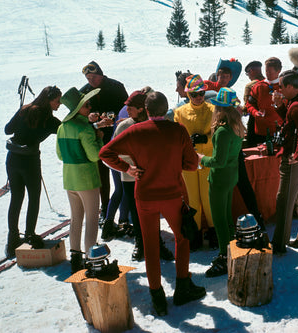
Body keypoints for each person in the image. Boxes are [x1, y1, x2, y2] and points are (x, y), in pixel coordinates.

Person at [99, 91, 206, 317]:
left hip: (145, 196)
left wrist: (127, 169)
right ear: (166, 109)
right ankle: (183, 287)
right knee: (182, 238)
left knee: (150, 246)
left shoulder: (135, 131)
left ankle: (157, 297)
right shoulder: (178, 131)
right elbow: (189, 164)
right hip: (173, 194)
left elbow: (105, 152)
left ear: (146, 111)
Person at [110, 90, 174, 262]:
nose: (127, 110)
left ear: (141, 109)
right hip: (131, 179)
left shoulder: (156, 124)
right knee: (136, 212)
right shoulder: (124, 127)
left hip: (153, 177)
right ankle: (140, 243)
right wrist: (130, 165)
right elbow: (114, 152)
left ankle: (158, 244)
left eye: (130, 107)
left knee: (154, 212)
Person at [4, 85, 62, 257]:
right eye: (57, 101)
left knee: (16, 198)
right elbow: (65, 130)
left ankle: (12, 239)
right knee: (33, 198)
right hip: (30, 161)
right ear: (49, 100)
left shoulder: (25, 110)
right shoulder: (49, 120)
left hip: (13, 158)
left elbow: (8, 130)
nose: (59, 105)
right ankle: (30, 234)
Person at [56, 87, 103, 273]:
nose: (90, 107)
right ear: (78, 109)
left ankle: (75, 259)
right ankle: (91, 259)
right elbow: (95, 156)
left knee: (75, 218)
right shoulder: (85, 128)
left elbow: (60, 155)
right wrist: (99, 138)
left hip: (70, 178)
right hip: (87, 180)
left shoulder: (62, 127)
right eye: (86, 105)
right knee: (92, 219)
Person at [199, 88, 245, 277]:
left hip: (219, 179)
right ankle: (232, 249)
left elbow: (218, 161)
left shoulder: (222, 132)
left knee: (219, 220)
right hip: (231, 177)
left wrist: (200, 158)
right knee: (227, 217)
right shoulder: (237, 127)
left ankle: (224, 257)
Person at [271, 70, 298, 255]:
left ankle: (279, 245)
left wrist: (296, 155)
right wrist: (280, 106)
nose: (279, 89)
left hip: (295, 160)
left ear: (290, 86)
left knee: (284, 201)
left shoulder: (297, 105)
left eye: (281, 86)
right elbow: (292, 123)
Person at [80, 61, 128, 222]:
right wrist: (90, 118)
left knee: (122, 174)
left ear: (101, 74)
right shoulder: (84, 92)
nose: (91, 81)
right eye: (88, 78)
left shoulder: (116, 87)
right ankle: (106, 208)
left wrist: (112, 117)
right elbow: (78, 115)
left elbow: (127, 110)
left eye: (94, 77)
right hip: (96, 138)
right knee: (102, 176)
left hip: (117, 136)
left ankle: (124, 206)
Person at [174, 75, 216, 250]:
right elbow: (176, 136)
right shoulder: (180, 112)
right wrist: (186, 142)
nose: (199, 97)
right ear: (188, 95)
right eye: (194, 95)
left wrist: (205, 139)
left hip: (207, 160)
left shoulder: (214, 110)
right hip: (189, 162)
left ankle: (214, 234)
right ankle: (195, 235)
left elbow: (218, 134)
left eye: (202, 93)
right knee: (192, 199)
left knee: (208, 198)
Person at [244, 57, 284, 142]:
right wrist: (255, 112)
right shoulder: (258, 86)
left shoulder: (284, 86)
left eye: (269, 72)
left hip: (279, 131)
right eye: (266, 71)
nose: (267, 74)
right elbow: (249, 104)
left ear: (278, 71)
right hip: (260, 132)